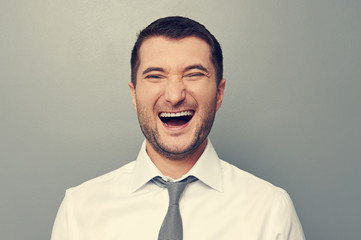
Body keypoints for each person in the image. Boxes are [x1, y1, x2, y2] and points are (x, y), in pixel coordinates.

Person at [51, 16, 305, 240]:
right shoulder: (79, 210)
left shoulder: (271, 210)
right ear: (134, 94)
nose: (174, 95)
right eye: (155, 76)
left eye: (194, 74)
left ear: (219, 93)